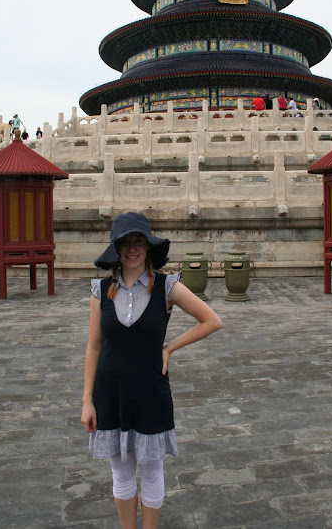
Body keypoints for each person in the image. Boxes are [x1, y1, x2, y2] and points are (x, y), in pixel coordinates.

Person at [81, 212, 223, 529]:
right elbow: (94, 346)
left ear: (148, 246)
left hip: (151, 393)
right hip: (110, 394)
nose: (132, 249)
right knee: (121, 473)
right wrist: (87, 400)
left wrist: (170, 347)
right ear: (116, 249)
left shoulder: (166, 287)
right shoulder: (100, 290)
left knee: (152, 470)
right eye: (125, 243)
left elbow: (212, 320)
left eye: (139, 242)